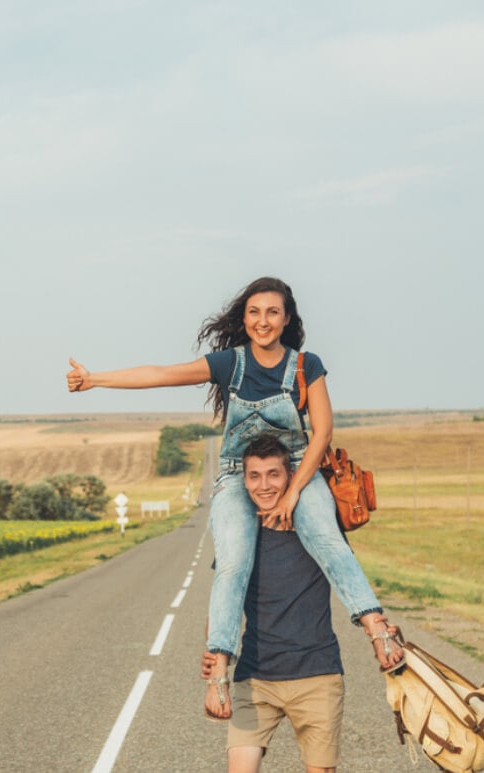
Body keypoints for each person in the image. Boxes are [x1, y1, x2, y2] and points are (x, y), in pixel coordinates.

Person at [66, 276, 401, 720]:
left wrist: (294, 492)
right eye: (255, 313)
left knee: (326, 536)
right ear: (244, 319)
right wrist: (94, 380)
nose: (263, 321)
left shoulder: (306, 364)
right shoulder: (229, 363)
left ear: (287, 319)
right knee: (233, 561)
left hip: (297, 467)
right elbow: (162, 375)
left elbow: (322, 433)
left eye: (273, 313)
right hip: (237, 474)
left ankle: (377, 628)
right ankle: (219, 669)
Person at [202, 433, 396, 773]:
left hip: (316, 677)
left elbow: (345, 572)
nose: (264, 486)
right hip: (255, 680)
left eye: (273, 474)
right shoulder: (239, 539)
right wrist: (213, 655)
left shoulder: (318, 528)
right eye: (254, 476)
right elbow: (224, 599)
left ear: (290, 475)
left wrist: (377, 628)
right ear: (243, 481)